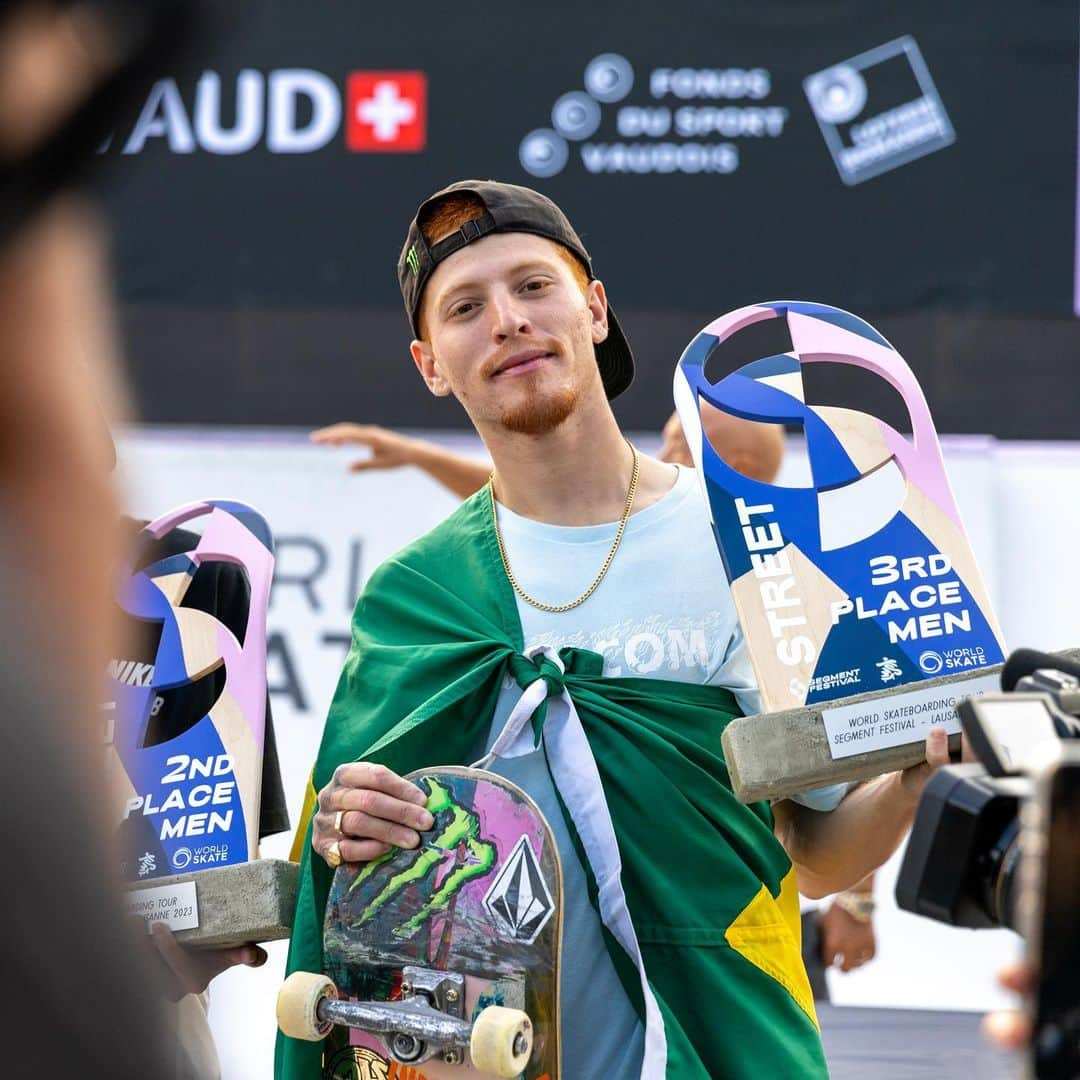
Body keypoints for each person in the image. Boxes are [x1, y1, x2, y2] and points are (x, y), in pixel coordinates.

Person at [279, 180, 950, 1079]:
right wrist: (349, 835)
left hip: (723, 1050)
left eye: (533, 286)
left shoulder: (749, 548)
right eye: (466, 308)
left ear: (594, 309)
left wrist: (913, 779)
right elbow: (362, 901)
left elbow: (820, 854)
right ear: (430, 362)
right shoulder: (415, 598)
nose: (508, 321)